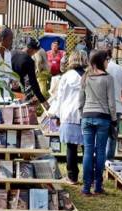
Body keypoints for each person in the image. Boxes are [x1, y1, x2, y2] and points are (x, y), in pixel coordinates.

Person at [79, 50, 117, 196]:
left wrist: (81, 114)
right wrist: (113, 119)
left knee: (88, 151)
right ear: (102, 61)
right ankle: (98, 186)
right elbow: (111, 103)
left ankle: (86, 187)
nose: (108, 62)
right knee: (100, 151)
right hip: (103, 117)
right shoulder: (108, 78)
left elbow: (80, 100)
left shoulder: (85, 76)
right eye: (107, 59)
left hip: (87, 116)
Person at [54, 50, 88, 185]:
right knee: (88, 148)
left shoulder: (66, 76)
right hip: (85, 114)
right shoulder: (88, 76)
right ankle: (88, 177)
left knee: (71, 147)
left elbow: (60, 97)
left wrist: (58, 115)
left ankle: (72, 176)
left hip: (68, 114)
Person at [105, 48, 122, 160]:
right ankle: (109, 161)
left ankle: (99, 160)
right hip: (116, 107)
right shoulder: (119, 69)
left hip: (101, 108)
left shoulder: (96, 68)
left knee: (100, 136)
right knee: (112, 136)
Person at [11, 38, 49, 108]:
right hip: (18, 92)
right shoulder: (29, 61)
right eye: (35, 51)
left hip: (5, 88)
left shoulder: (12, 53)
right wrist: (42, 100)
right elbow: (33, 82)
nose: (34, 54)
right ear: (32, 49)